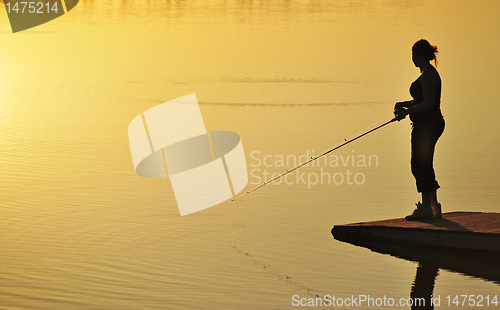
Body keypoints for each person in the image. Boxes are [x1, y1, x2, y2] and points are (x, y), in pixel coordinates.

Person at [394, 39, 445, 221]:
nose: (412, 58)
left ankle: (427, 208)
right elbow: (422, 100)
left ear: (416, 55)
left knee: (421, 164)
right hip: (425, 124)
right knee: (421, 163)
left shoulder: (429, 74)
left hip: (429, 125)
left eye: (412, 54)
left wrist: (407, 111)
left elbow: (429, 104)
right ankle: (432, 207)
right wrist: (405, 105)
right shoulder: (426, 73)